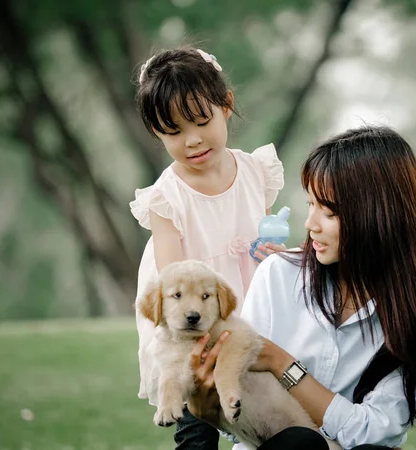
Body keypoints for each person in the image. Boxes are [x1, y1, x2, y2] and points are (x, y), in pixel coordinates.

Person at [187, 125, 416, 450]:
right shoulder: (279, 276)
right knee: (301, 444)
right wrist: (208, 406)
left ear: (379, 217)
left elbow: (377, 432)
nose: (310, 224)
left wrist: (283, 365)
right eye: (310, 204)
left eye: (329, 211)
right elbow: (242, 409)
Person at [129, 45, 285, 449]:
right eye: (174, 132)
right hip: (191, 313)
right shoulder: (167, 197)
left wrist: (271, 252)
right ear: (156, 133)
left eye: (201, 121)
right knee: (194, 397)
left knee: (257, 399)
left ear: (226, 105)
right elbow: (171, 278)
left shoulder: (255, 171)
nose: (192, 141)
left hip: (244, 301)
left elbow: (267, 235)